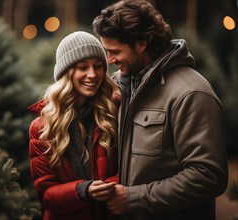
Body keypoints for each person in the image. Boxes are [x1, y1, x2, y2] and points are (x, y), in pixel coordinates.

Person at [92, 1, 228, 220]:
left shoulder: (190, 93)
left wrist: (132, 199)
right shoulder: (119, 87)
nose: (110, 61)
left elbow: (208, 176)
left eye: (115, 51)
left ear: (142, 43)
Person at [28, 31, 120, 220]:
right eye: (82, 67)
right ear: (67, 73)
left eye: (98, 66)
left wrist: (109, 186)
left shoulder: (114, 111)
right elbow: (46, 194)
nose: (92, 75)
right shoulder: (42, 127)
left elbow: (133, 168)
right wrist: (83, 190)